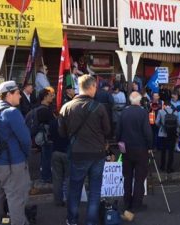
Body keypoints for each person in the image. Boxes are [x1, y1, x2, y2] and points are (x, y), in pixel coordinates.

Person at [59, 74, 110, 225]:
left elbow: (61, 133)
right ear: (92, 87)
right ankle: (91, 222)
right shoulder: (99, 107)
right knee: (94, 190)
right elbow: (107, 130)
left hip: (77, 153)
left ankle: (72, 220)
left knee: (74, 189)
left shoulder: (66, 107)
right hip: (97, 153)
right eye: (95, 87)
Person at [0, 81, 31, 225]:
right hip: (12, 162)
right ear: (9, 94)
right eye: (17, 93)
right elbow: (26, 139)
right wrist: (25, 155)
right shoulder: (12, 112)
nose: (20, 96)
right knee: (16, 198)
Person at [116, 91, 153, 212]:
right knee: (139, 177)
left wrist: (118, 142)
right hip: (141, 149)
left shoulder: (123, 112)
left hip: (126, 149)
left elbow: (118, 131)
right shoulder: (143, 113)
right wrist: (150, 146)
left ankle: (127, 202)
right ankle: (137, 204)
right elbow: (148, 132)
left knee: (127, 176)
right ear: (139, 100)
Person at [37, 87, 56, 183]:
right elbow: (51, 124)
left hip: (45, 137)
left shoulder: (43, 108)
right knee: (47, 158)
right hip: (46, 137)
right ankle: (46, 177)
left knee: (46, 157)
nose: (52, 97)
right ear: (45, 97)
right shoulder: (44, 110)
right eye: (50, 95)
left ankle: (46, 175)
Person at [155, 100, 179, 173]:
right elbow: (178, 123)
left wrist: (162, 127)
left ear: (164, 105)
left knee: (163, 150)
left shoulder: (161, 112)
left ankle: (162, 166)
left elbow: (156, 122)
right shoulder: (175, 112)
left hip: (163, 133)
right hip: (172, 133)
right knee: (171, 151)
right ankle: (169, 168)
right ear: (170, 105)